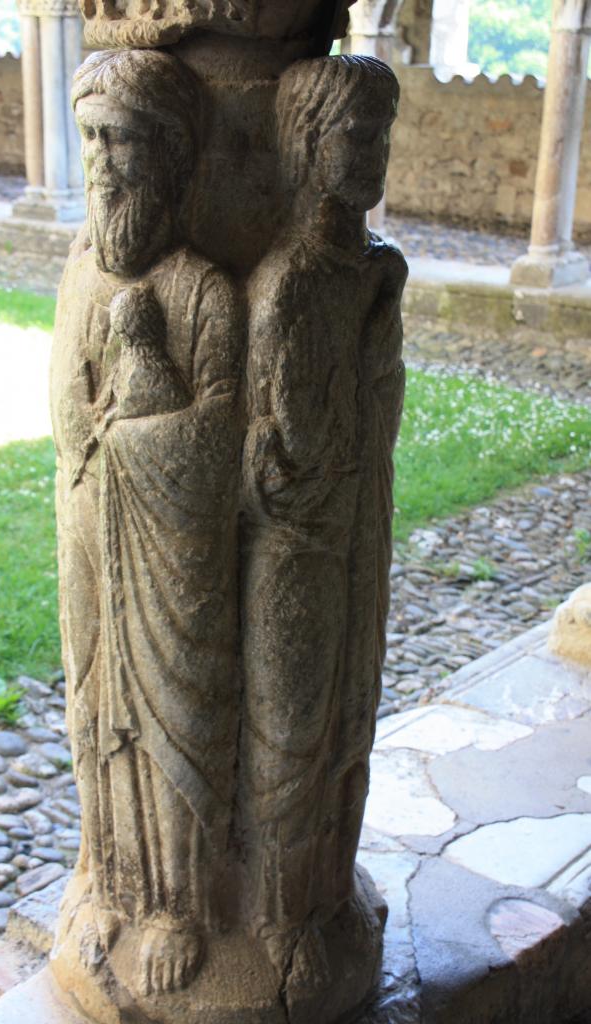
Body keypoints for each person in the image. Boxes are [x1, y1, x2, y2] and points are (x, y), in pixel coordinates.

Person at [50, 48, 244, 998]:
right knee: (96, 703)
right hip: (90, 530)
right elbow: (66, 412)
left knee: (176, 717)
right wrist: (105, 436)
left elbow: (220, 433)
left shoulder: (207, 290)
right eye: (90, 136)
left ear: (170, 157)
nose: (103, 159)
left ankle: (177, 903)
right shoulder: (80, 271)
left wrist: (131, 439)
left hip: (174, 556)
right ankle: (109, 880)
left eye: (124, 138)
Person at [241, 54, 407, 993]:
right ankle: (276, 912)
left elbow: (371, 414)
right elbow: (277, 463)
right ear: (304, 144)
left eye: (381, 133)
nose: (372, 152)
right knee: (289, 726)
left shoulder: (371, 272)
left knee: (346, 710)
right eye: (354, 133)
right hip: (300, 543)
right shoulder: (290, 282)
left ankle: (319, 891)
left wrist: (382, 318)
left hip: (356, 525)